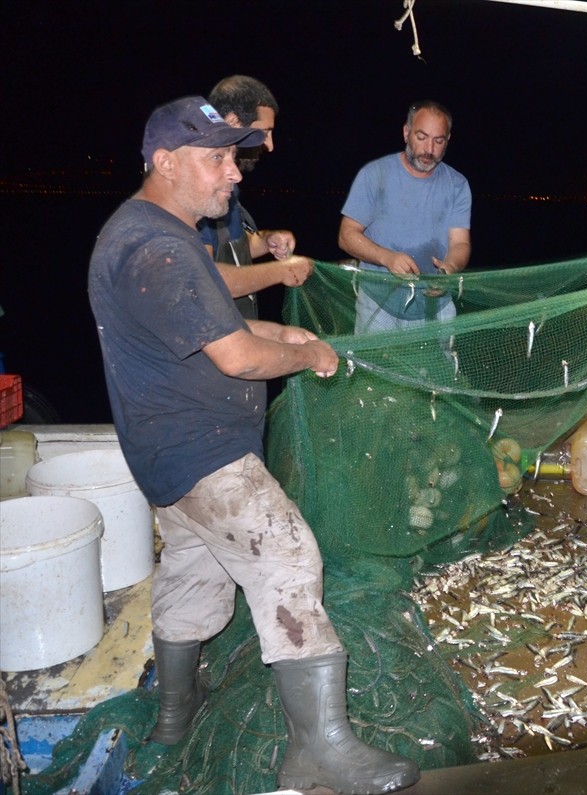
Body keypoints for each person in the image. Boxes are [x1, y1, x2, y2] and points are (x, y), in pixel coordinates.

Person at [87, 96, 419, 794]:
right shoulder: (157, 250)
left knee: (193, 572)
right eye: (216, 160)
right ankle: (320, 748)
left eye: (233, 158)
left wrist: (287, 334)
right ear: (165, 162)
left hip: (164, 457)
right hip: (201, 452)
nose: (234, 173)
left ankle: (175, 714)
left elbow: (208, 328)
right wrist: (302, 356)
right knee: (288, 555)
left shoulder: (158, 232)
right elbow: (236, 356)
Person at [338, 100, 471, 332]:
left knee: (437, 357)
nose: (429, 149)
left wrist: (449, 268)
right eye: (421, 137)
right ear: (406, 133)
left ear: (448, 140)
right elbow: (346, 236)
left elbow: (460, 243)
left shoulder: (457, 185)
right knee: (374, 357)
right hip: (377, 303)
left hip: (434, 306)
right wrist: (386, 258)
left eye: (438, 141)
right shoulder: (374, 174)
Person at [199, 75, 312, 320]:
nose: (270, 145)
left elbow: (232, 247)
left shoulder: (228, 184)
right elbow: (203, 279)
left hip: (238, 328)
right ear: (233, 122)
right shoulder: (198, 186)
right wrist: (280, 271)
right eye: (264, 132)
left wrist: (267, 241)